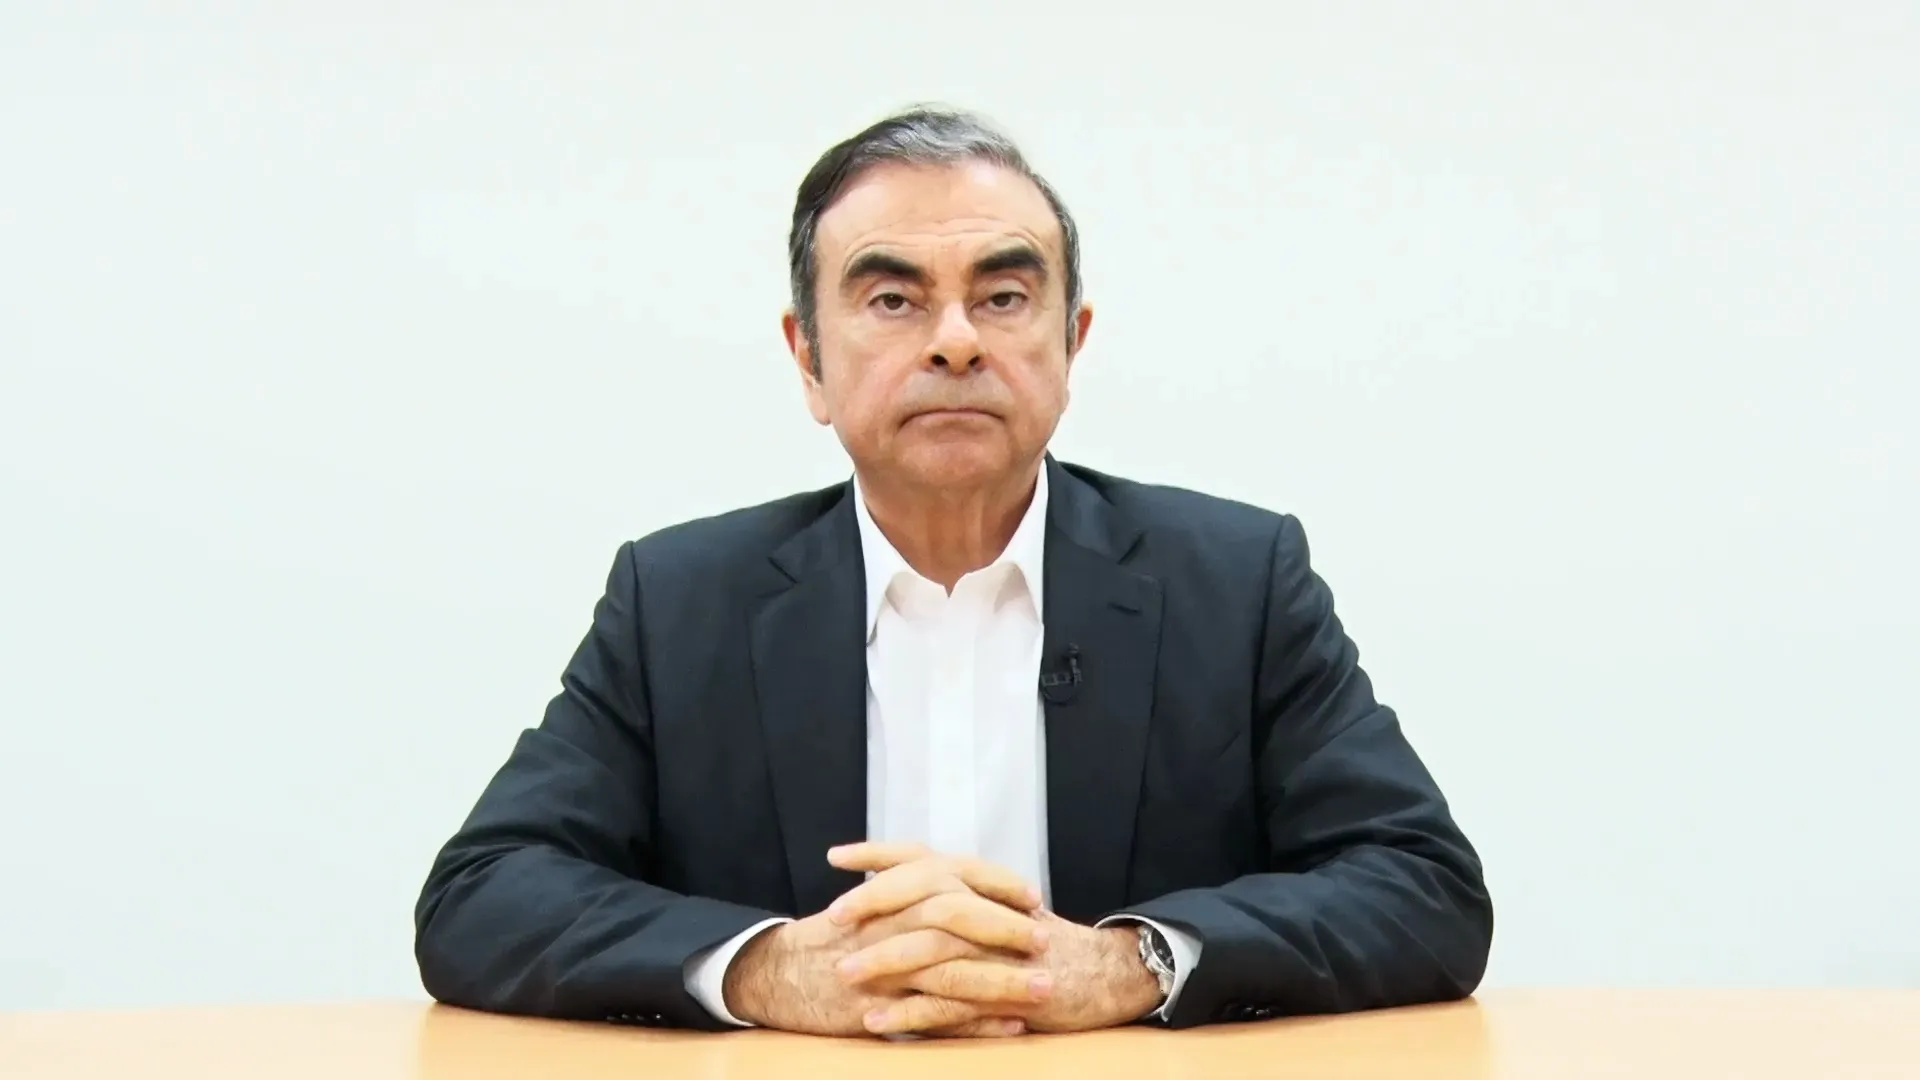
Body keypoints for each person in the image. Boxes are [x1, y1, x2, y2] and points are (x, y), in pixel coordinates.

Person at [413, 105, 1493, 1038]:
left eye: (1004, 297)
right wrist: (771, 970)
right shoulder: (681, 602)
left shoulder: (1237, 583)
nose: (956, 342)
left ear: (1071, 344)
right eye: (892, 301)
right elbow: (482, 897)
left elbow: (1424, 887)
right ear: (808, 358)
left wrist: (1130, 965)